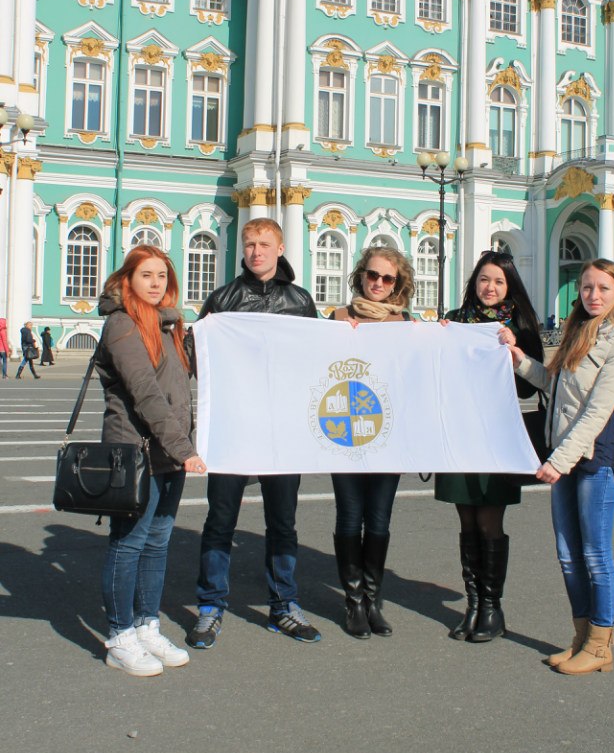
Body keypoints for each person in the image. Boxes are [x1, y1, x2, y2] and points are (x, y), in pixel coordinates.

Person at [502, 259, 614, 675]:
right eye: (586, 288)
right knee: (567, 554)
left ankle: (601, 645)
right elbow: (553, 384)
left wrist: (556, 462)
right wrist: (518, 358)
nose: (593, 295)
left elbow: (597, 413)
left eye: (603, 288)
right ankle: (581, 637)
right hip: (565, 454)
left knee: (595, 554)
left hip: (595, 459)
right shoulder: (577, 334)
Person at [188, 218, 320, 650]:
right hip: (233, 426)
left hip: (283, 429)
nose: (256, 252)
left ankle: (284, 605)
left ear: (281, 248)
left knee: (282, 523)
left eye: (264, 244)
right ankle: (210, 607)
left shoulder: (299, 301)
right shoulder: (223, 298)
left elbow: (316, 358)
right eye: (249, 244)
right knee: (220, 520)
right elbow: (197, 357)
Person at [97, 246, 206, 677]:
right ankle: (119, 636)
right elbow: (145, 393)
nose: (156, 282)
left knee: (158, 543)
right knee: (128, 544)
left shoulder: (169, 327)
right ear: (129, 279)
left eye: (162, 275)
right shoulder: (122, 325)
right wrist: (185, 449)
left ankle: (147, 625)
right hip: (137, 453)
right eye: (147, 274)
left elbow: (190, 377)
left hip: (168, 452)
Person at [435, 250, 543, 642]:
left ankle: (493, 608)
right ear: (474, 282)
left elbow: (531, 387)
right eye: (484, 279)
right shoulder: (457, 320)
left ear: (509, 285)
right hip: (460, 433)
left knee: (489, 521)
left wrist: (515, 352)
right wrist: (438, 339)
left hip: (497, 434)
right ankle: (473, 604)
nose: (490, 287)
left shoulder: (519, 325)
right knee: (466, 521)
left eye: (498, 281)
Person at [330, 246, 415, 638]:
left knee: (379, 519)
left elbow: (417, 374)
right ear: (360, 275)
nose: (378, 283)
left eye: (387, 278)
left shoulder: (406, 324)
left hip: (388, 436)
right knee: (350, 516)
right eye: (372, 275)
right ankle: (353, 603)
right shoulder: (338, 318)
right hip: (344, 431)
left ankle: (372, 600)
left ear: (399, 284)